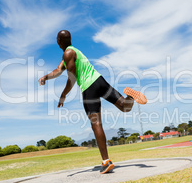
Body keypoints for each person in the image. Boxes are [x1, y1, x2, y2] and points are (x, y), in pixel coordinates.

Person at [39, 30, 147, 174]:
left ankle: (106, 161)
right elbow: (58, 70)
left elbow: (71, 79)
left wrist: (63, 95)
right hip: (99, 81)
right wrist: (45, 77)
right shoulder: (74, 52)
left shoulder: (67, 54)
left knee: (96, 123)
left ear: (58, 40)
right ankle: (131, 97)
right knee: (125, 107)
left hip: (89, 89)